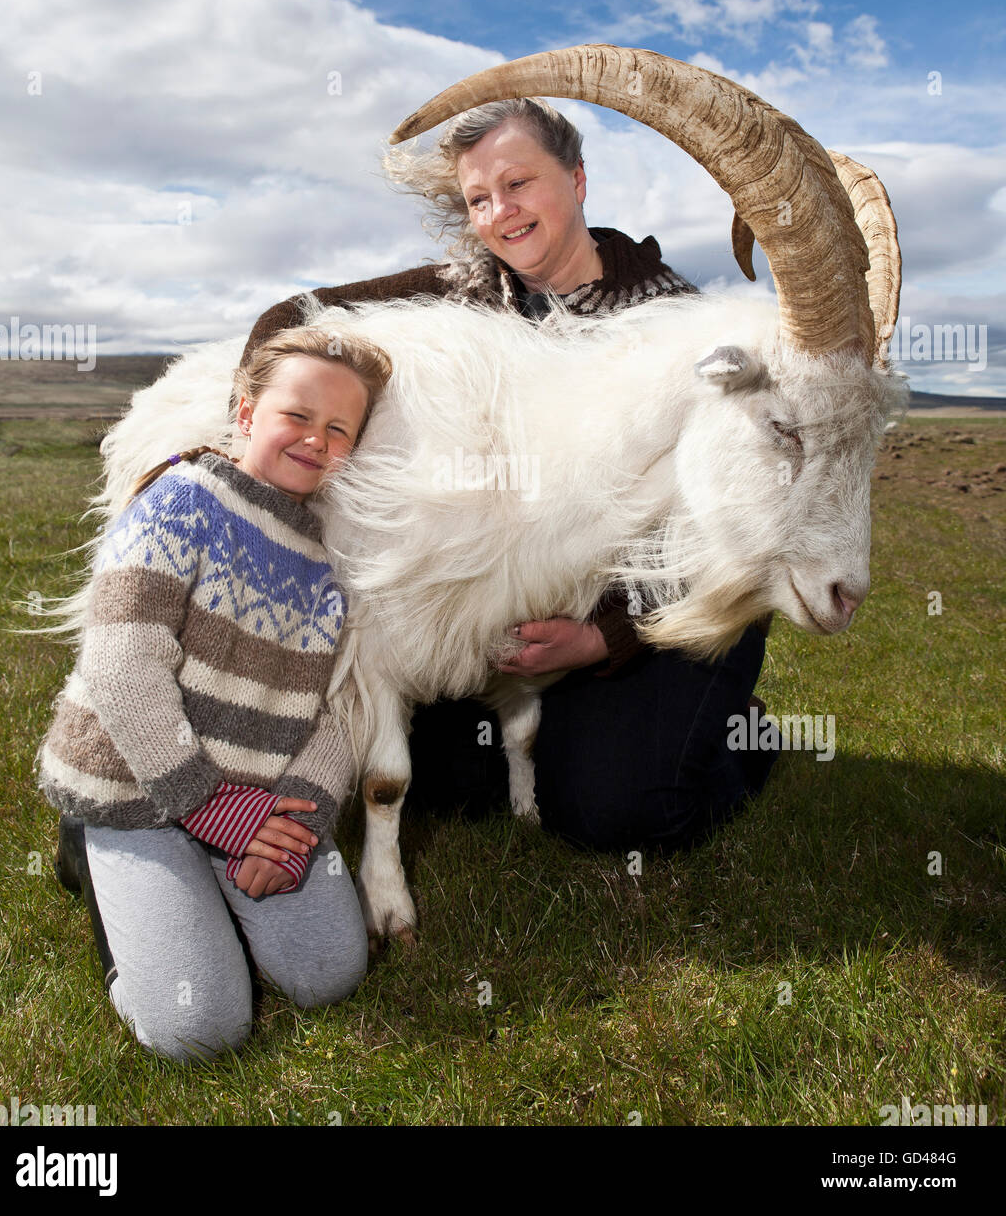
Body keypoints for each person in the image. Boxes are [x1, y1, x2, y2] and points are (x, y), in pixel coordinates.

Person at [242, 97, 778, 855]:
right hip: (524, 612)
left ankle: (737, 732)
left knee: (616, 816)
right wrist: (273, 434)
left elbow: (725, 527)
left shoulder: (671, 321)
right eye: (479, 199)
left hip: (653, 615)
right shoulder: (470, 291)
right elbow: (287, 319)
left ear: (578, 178)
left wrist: (600, 641)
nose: (502, 212)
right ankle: (566, 735)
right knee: (456, 784)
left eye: (519, 183)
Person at [38, 325, 392, 1062]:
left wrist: (303, 815)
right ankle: (94, 852)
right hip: (139, 789)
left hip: (249, 800)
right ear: (245, 412)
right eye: (296, 415)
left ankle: (203, 890)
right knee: (200, 1029)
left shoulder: (327, 559)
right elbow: (122, 666)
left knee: (331, 972)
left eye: (338, 429)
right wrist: (211, 810)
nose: (314, 440)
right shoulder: (182, 501)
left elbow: (332, 709)